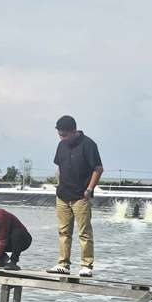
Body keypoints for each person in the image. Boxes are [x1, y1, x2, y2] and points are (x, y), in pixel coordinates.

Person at [47, 115, 103, 277]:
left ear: (74, 131)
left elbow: (98, 169)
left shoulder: (88, 144)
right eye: (60, 135)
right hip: (63, 195)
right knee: (63, 231)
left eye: (64, 135)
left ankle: (87, 265)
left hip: (81, 196)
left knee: (84, 232)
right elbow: (59, 167)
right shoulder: (61, 145)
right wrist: (58, 184)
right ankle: (63, 264)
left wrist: (89, 190)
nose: (62, 138)